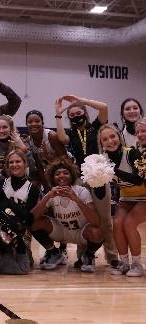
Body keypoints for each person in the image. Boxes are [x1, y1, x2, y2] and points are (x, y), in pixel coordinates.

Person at [54, 94, 118, 265]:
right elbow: (61, 138)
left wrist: (80, 101)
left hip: (99, 178)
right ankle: (84, 256)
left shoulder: (96, 127)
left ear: (85, 113)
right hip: (80, 180)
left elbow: (104, 107)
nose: (75, 117)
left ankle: (112, 257)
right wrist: (59, 114)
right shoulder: (71, 133)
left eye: (78, 113)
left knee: (105, 220)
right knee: (85, 219)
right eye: (72, 116)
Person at [31, 159, 103, 272]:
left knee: (97, 232)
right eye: (57, 174)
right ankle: (53, 252)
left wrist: (76, 199)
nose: (61, 176)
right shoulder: (52, 193)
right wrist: (47, 197)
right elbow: (32, 218)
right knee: (34, 223)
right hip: (62, 231)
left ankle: (88, 255)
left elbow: (96, 222)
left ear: (72, 175)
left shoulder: (82, 191)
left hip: (81, 232)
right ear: (52, 177)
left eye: (65, 173)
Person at [98, 124, 146, 276]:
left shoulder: (133, 153)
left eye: (113, 136)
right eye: (105, 139)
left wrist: (113, 170)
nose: (110, 141)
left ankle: (137, 264)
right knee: (117, 224)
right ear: (101, 143)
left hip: (144, 196)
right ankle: (125, 263)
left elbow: (139, 180)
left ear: (119, 137)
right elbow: (101, 187)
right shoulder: (102, 160)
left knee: (129, 223)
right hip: (126, 197)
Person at [25, 109, 67, 191]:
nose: (33, 124)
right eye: (30, 122)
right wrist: (46, 187)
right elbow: (39, 167)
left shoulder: (52, 136)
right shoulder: (28, 141)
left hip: (63, 171)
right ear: (26, 124)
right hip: (48, 171)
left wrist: (48, 158)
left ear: (42, 123)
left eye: (37, 121)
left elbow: (66, 161)